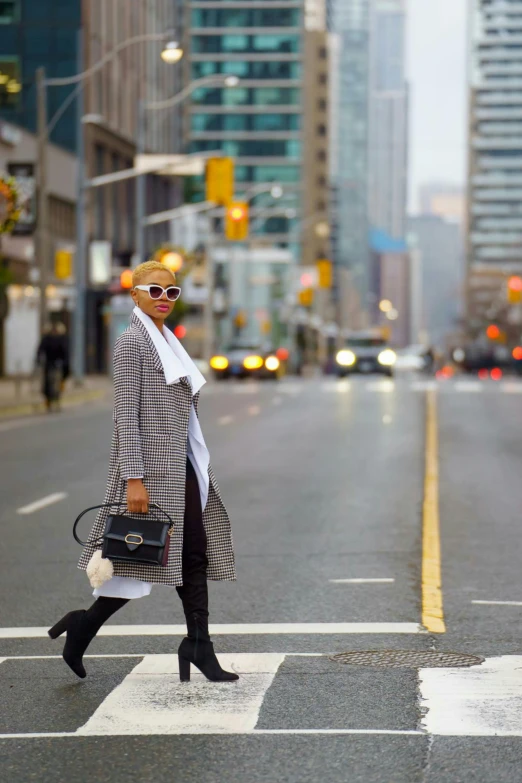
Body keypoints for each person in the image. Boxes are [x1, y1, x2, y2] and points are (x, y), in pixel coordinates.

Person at [48, 261, 238, 683]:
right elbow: (125, 416)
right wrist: (134, 477)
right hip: (150, 469)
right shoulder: (132, 343)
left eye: (171, 292)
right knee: (137, 558)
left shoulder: (167, 341)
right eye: (154, 291)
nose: (163, 299)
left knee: (188, 552)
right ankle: (84, 625)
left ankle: (198, 645)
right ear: (134, 295)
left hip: (182, 463)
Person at [36, 322, 69, 411]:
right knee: (47, 384)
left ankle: (56, 401)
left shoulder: (62, 339)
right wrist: (39, 360)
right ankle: (49, 402)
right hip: (48, 365)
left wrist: (65, 364)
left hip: (58, 365)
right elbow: (40, 350)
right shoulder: (46, 339)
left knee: (57, 384)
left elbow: (66, 353)